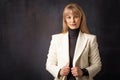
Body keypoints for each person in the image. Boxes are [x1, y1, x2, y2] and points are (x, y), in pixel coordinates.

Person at [46, 3, 102, 80]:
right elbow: (49, 64)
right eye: (69, 17)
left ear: (81, 18)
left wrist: (83, 72)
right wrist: (59, 71)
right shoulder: (56, 39)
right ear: (65, 20)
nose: (72, 20)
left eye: (76, 17)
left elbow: (97, 65)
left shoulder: (90, 39)